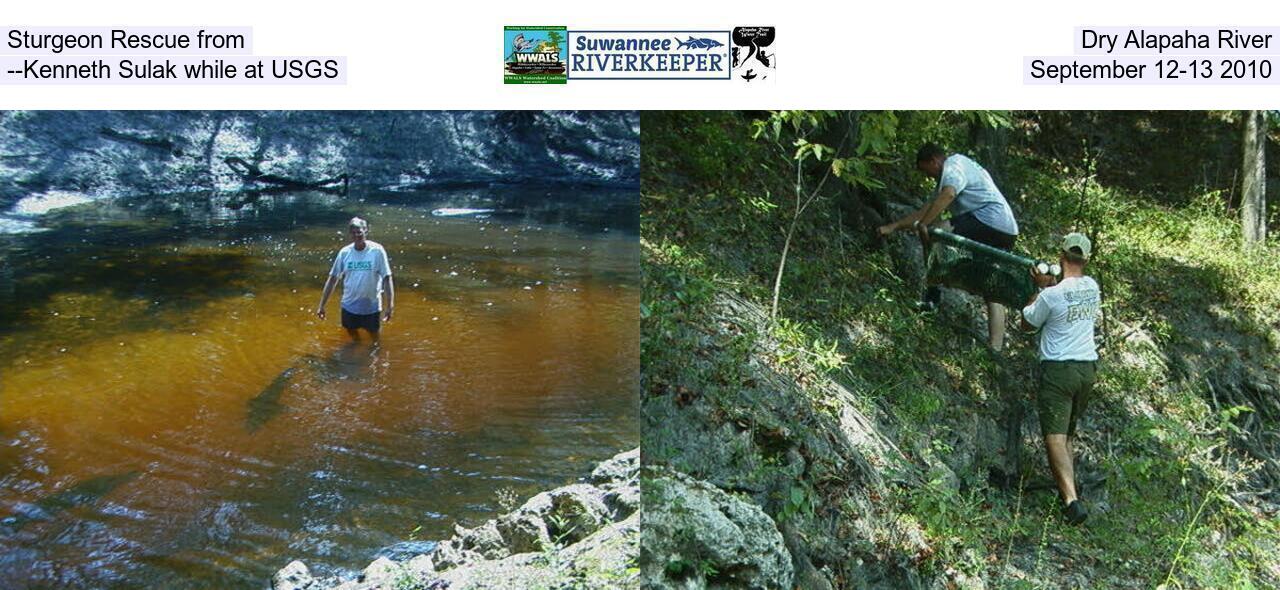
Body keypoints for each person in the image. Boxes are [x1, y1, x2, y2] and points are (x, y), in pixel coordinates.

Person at [879, 144, 1020, 350]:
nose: (928, 176)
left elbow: (949, 195)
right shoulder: (958, 170)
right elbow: (927, 210)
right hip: (1007, 231)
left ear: (934, 161)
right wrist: (894, 226)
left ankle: (932, 297)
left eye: (927, 170)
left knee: (936, 232)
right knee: (993, 288)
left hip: (989, 220)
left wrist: (924, 226)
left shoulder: (954, 165)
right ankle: (995, 349)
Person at [1020, 233, 1100, 525]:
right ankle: (1070, 492)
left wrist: (1039, 287)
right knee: (1066, 434)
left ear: (1061, 255)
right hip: (1087, 369)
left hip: (1059, 371)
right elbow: (1069, 296)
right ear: (1086, 259)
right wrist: (1051, 286)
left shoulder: (1051, 295)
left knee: (1054, 437)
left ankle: (1071, 502)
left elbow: (1027, 323)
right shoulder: (1092, 287)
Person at [315, 217, 394, 341]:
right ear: (350, 234)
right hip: (349, 307)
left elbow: (387, 278)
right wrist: (322, 305)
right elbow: (332, 279)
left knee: (374, 341)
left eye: (359, 232)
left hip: (371, 308)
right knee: (352, 340)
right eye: (353, 233)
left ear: (366, 231)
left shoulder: (377, 251)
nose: (357, 235)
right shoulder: (344, 253)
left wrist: (390, 306)